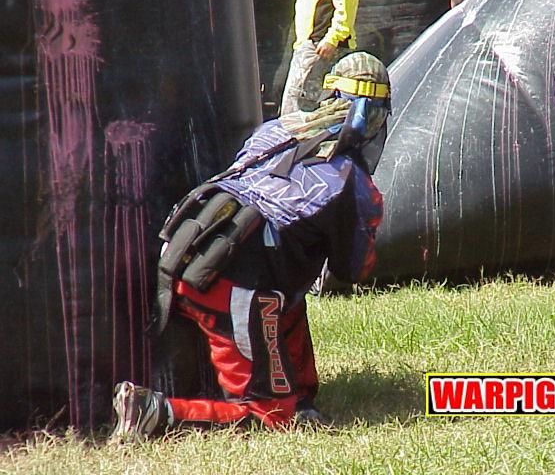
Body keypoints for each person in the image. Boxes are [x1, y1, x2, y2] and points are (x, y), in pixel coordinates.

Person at [111, 51, 391, 439]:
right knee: (272, 415)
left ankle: (301, 399)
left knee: (286, 291)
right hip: (232, 284)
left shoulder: (274, 130)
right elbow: (352, 268)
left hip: (184, 254)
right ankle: (155, 413)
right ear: (376, 117)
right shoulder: (354, 185)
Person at [280, 0, 360, 116]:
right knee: (296, 105)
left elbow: (347, 1)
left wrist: (333, 38)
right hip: (310, 45)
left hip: (322, 46)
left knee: (299, 107)